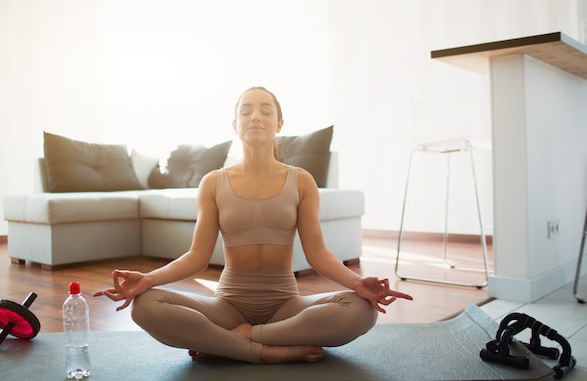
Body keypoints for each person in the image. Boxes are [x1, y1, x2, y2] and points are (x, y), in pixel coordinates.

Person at [93, 86, 413, 364]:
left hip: (286, 305)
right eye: (246, 111)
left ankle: (235, 342)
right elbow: (197, 257)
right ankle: (268, 352)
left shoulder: (301, 181)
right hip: (227, 305)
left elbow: (317, 254)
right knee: (144, 306)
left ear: (280, 124)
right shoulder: (213, 183)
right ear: (235, 125)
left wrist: (356, 283)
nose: (256, 116)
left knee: (362, 309)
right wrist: (147, 280)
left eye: (265, 110)